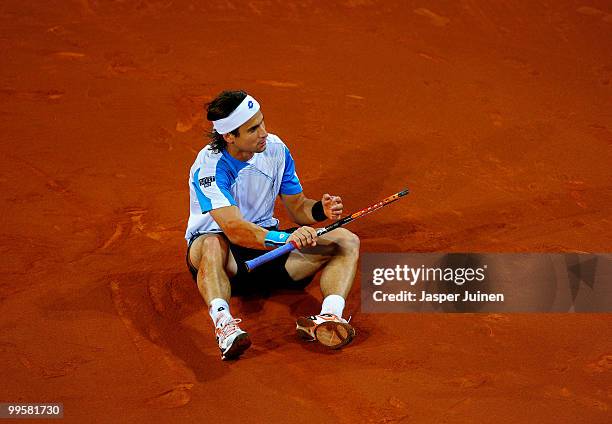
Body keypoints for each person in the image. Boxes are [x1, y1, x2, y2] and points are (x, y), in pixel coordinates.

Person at [185, 90, 360, 360]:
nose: (264, 132)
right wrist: (284, 239)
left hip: (269, 255)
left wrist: (319, 210)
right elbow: (234, 230)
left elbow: (298, 207)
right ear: (229, 136)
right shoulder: (209, 167)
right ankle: (224, 325)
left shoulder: (275, 149)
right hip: (227, 261)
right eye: (253, 129)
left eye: (262, 122)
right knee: (210, 242)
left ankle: (328, 319)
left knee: (346, 240)